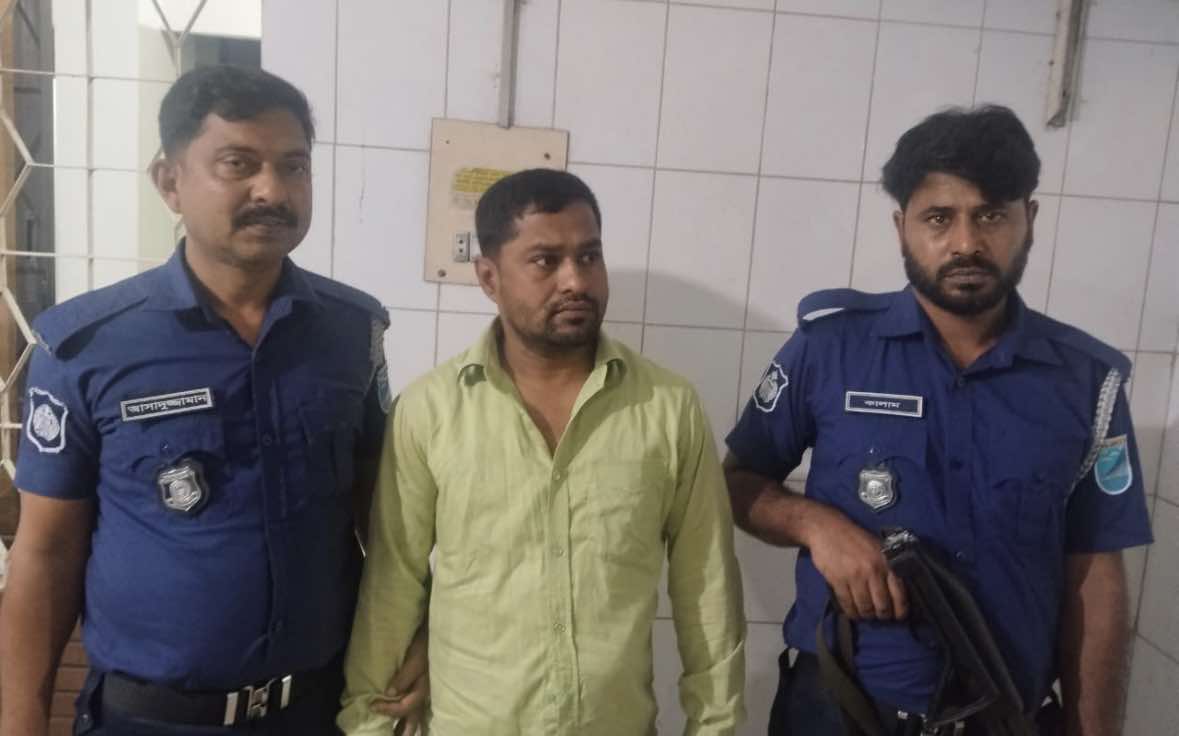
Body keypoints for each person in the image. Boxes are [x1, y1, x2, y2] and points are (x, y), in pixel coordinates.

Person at [0, 64, 424, 735]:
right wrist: (20, 721)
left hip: (317, 713)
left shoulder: (351, 333)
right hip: (150, 721)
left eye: (293, 166)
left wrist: (421, 630)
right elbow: (46, 553)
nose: (272, 190)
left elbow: (383, 518)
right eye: (238, 164)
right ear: (169, 182)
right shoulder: (87, 347)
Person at [724, 105, 1153, 736]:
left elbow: (1096, 577)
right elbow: (737, 483)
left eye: (991, 215)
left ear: (1029, 219)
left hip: (1001, 717)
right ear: (902, 227)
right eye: (939, 218)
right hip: (838, 709)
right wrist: (816, 526)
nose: (966, 243)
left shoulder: (1087, 383)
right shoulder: (829, 348)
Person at [338, 168, 746, 735]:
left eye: (589, 256)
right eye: (545, 261)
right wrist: (367, 724)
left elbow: (708, 589)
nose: (576, 280)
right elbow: (392, 584)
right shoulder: (430, 411)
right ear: (489, 277)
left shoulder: (667, 408)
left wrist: (716, 727)